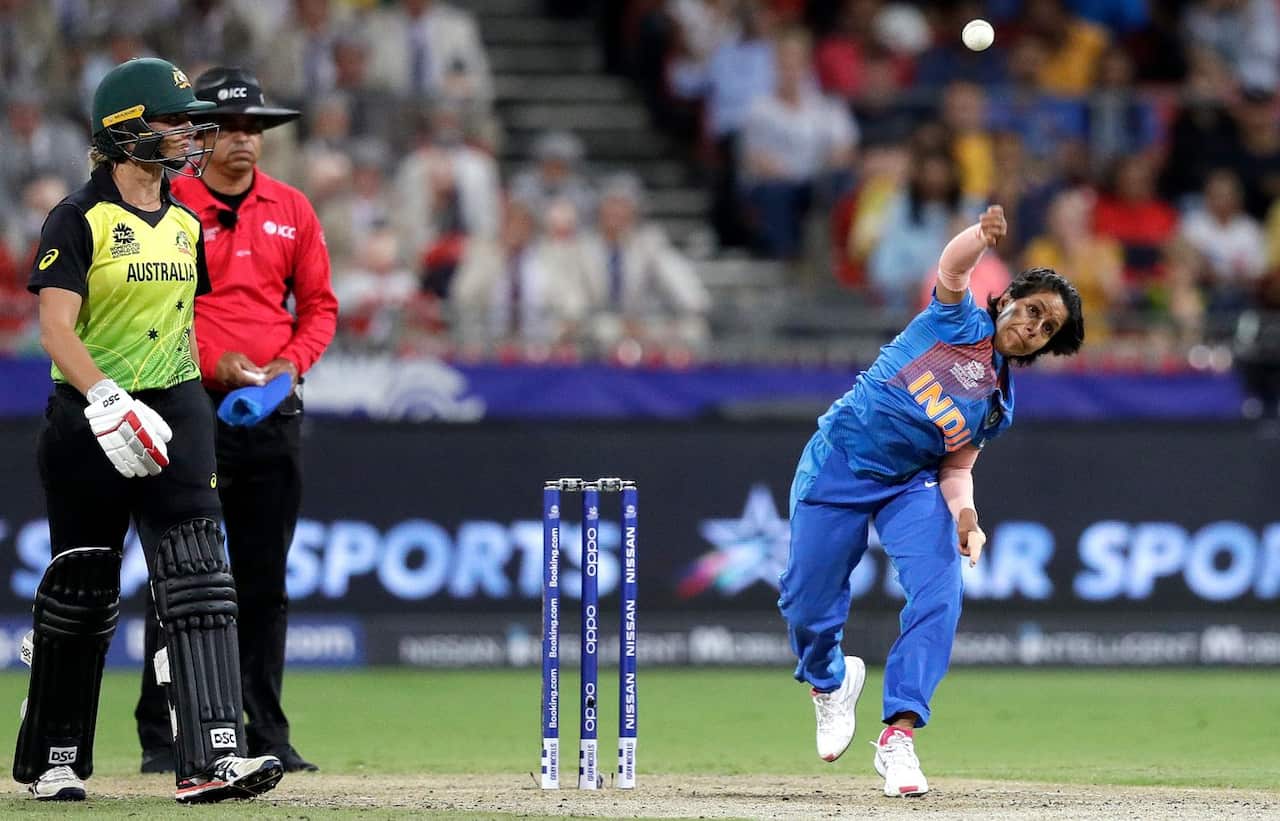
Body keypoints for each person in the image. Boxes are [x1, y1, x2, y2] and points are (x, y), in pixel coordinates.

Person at [16, 56, 284, 803]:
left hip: (174, 409)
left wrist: (213, 370)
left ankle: (209, 758)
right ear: (127, 131)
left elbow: (178, 325)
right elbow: (54, 329)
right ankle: (55, 758)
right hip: (88, 420)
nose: (189, 133)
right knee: (83, 587)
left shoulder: (187, 221)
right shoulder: (77, 218)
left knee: (201, 578)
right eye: (174, 122)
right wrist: (104, 399)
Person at [778, 205, 1084, 797]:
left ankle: (899, 738)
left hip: (911, 483)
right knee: (805, 603)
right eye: (1033, 310)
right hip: (839, 460)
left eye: (1046, 329)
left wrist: (967, 517)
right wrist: (980, 235)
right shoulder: (957, 321)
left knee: (941, 590)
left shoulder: (999, 405)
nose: (1033, 326)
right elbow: (951, 266)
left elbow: (957, 467)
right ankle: (830, 682)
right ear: (1008, 299)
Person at [135, 66, 337, 775]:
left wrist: (288, 367)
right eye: (226, 127)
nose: (243, 140)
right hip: (188, 405)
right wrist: (214, 363)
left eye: (254, 127)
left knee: (263, 578)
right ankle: (164, 734)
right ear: (199, 135)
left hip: (270, 409)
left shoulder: (293, 208)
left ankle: (265, 730)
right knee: (183, 576)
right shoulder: (170, 202)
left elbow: (319, 309)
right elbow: (157, 310)